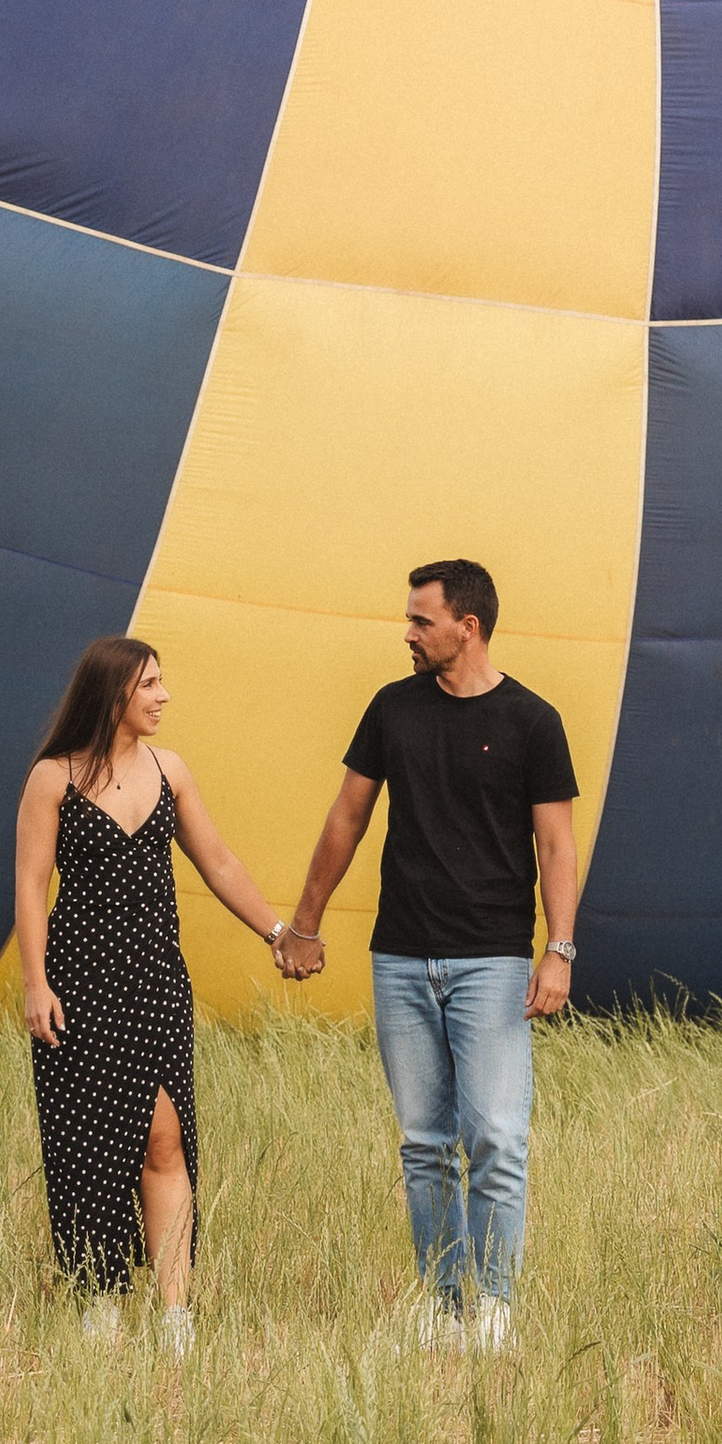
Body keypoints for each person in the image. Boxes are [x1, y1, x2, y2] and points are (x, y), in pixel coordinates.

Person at [276, 558, 578, 1347]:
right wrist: (303, 924)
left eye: (420, 620)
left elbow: (556, 842)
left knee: (497, 1138)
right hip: (402, 956)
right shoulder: (392, 709)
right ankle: (442, 1304)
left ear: (466, 626)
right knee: (423, 1144)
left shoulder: (533, 721)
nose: (407, 633)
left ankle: (496, 1309)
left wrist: (561, 950)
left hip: (495, 961)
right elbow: (347, 818)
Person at [15, 632, 306, 1345]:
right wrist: (34, 982)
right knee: (89, 1143)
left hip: (156, 985)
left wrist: (278, 933)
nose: (163, 696)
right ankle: (100, 1299)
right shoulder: (54, 777)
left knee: (164, 1139)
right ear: (113, 692)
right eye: (149, 684)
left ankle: (176, 1313)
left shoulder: (171, 771)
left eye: (161, 683)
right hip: (80, 984)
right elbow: (29, 884)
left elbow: (220, 862)